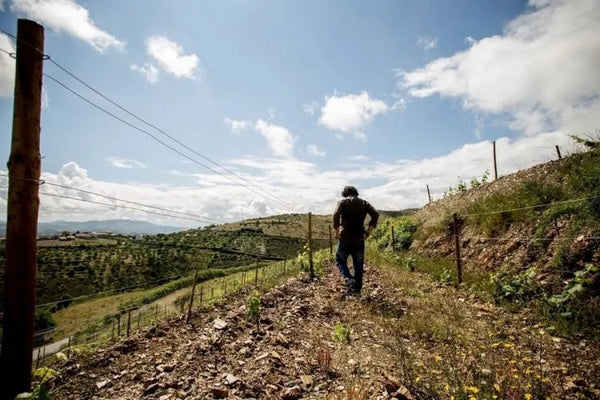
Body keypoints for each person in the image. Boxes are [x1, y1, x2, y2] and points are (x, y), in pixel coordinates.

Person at [333, 185, 379, 295]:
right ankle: (357, 289)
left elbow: (335, 215)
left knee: (340, 260)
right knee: (358, 264)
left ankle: (349, 279)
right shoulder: (364, 203)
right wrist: (369, 231)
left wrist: (336, 232)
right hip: (359, 238)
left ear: (345, 193)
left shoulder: (342, 202)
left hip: (345, 238)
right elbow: (375, 214)